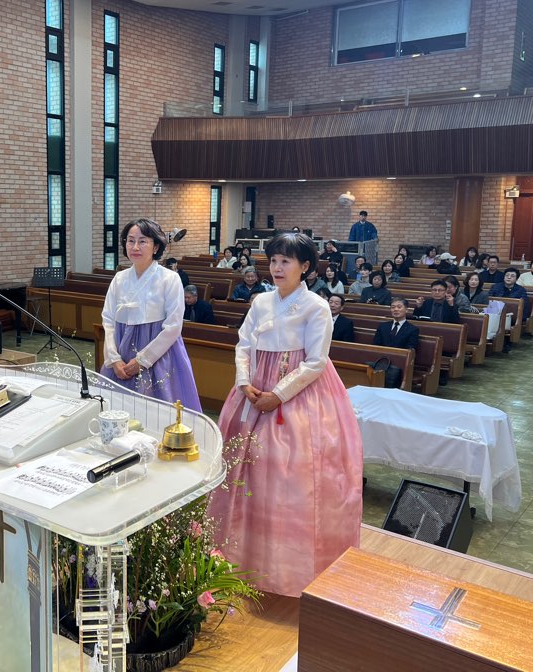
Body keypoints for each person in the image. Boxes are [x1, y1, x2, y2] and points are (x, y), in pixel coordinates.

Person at [208, 232, 362, 598]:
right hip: (253, 392)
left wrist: (278, 395)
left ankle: (286, 565)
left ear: (305, 267)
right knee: (245, 468)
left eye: (286, 261)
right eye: (274, 261)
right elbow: (244, 344)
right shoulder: (261, 301)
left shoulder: (316, 307)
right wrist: (244, 382)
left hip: (299, 398)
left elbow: (315, 362)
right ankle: (240, 555)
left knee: (290, 475)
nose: (277, 268)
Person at [101, 218, 201, 410]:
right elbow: (108, 320)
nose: (135, 247)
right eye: (130, 241)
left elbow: (173, 326)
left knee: (157, 412)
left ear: (155, 247)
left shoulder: (169, 279)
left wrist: (142, 360)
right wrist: (113, 359)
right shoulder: (119, 278)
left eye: (142, 241)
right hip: (121, 353)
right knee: (116, 410)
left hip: (158, 354)